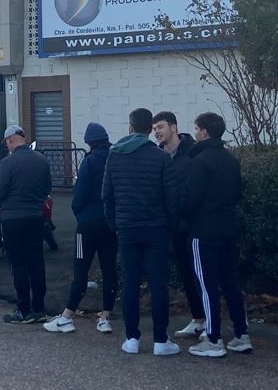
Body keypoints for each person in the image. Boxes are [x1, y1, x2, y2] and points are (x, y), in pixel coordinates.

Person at [103, 108, 179, 354]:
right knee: (158, 283)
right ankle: (160, 340)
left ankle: (132, 338)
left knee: (130, 283)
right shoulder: (161, 158)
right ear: (150, 130)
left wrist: (115, 223)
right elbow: (171, 197)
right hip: (156, 227)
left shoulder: (114, 156)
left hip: (126, 228)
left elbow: (107, 195)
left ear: (131, 127)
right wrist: (170, 223)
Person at [181, 113, 252, 358]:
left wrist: (185, 217)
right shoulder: (230, 160)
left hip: (203, 230)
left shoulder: (200, 161)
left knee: (207, 284)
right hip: (228, 227)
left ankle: (213, 338)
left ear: (203, 132)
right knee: (231, 282)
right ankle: (242, 334)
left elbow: (191, 198)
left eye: (197, 128)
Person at [45, 122, 116, 335]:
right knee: (109, 269)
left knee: (81, 268)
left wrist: (82, 216)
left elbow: (79, 196)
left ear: (89, 142)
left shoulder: (89, 162)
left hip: (88, 225)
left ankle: (68, 315)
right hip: (111, 223)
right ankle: (106, 316)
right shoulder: (114, 159)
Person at [0, 125, 52, 324]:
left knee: (18, 264)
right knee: (36, 262)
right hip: (35, 217)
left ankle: (23, 309)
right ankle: (40, 308)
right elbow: (46, 189)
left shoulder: (7, 163)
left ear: (9, 140)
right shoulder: (42, 160)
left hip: (12, 219)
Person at [153, 111, 205, 339]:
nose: (157, 131)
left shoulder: (191, 152)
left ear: (173, 127)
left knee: (202, 275)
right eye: (154, 128)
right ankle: (198, 319)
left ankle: (212, 321)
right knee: (185, 274)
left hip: (194, 225)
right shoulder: (158, 156)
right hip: (172, 226)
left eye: (161, 126)